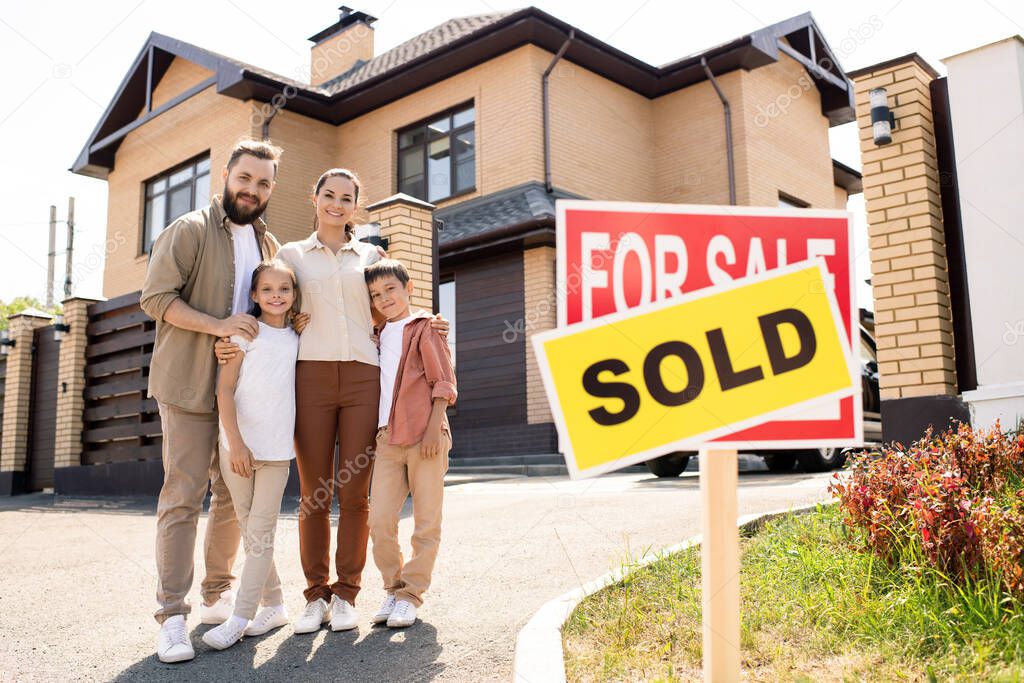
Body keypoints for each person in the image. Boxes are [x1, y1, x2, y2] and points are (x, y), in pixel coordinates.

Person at [272, 168, 448, 634]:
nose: (336, 204)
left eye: (346, 197)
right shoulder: (289, 254)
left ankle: (347, 592)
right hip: (308, 377)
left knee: (355, 494)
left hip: (362, 381)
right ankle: (315, 595)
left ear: (356, 204)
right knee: (314, 493)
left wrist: (431, 323)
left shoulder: (371, 254)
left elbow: (391, 304)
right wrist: (288, 318)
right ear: (314, 197)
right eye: (328, 194)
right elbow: (272, 304)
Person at [139, 138, 283, 663]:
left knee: (230, 496)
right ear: (226, 174)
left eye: (264, 182)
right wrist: (217, 324)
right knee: (183, 494)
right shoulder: (191, 229)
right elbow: (156, 299)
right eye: (245, 178)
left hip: (240, 393)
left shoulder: (269, 245)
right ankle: (171, 616)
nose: (253, 189)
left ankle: (215, 595)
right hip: (185, 384)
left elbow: (272, 306)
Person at [201, 260, 301, 651]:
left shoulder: (297, 336)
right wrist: (237, 443)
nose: (276, 295)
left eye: (285, 289)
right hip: (237, 448)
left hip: (276, 451)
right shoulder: (244, 335)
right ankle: (274, 604)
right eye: (268, 289)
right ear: (255, 295)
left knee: (260, 535)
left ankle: (240, 617)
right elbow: (224, 391)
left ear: (294, 295)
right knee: (251, 532)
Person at [364, 259, 457, 628]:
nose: (384, 298)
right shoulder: (377, 333)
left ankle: (411, 594)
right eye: (375, 294)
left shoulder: (425, 328)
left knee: (426, 521)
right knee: (380, 520)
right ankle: (393, 587)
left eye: (390, 289)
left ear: (408, 288)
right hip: (387, 437)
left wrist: (435, 428)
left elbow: (443, 381)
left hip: (425, 434)